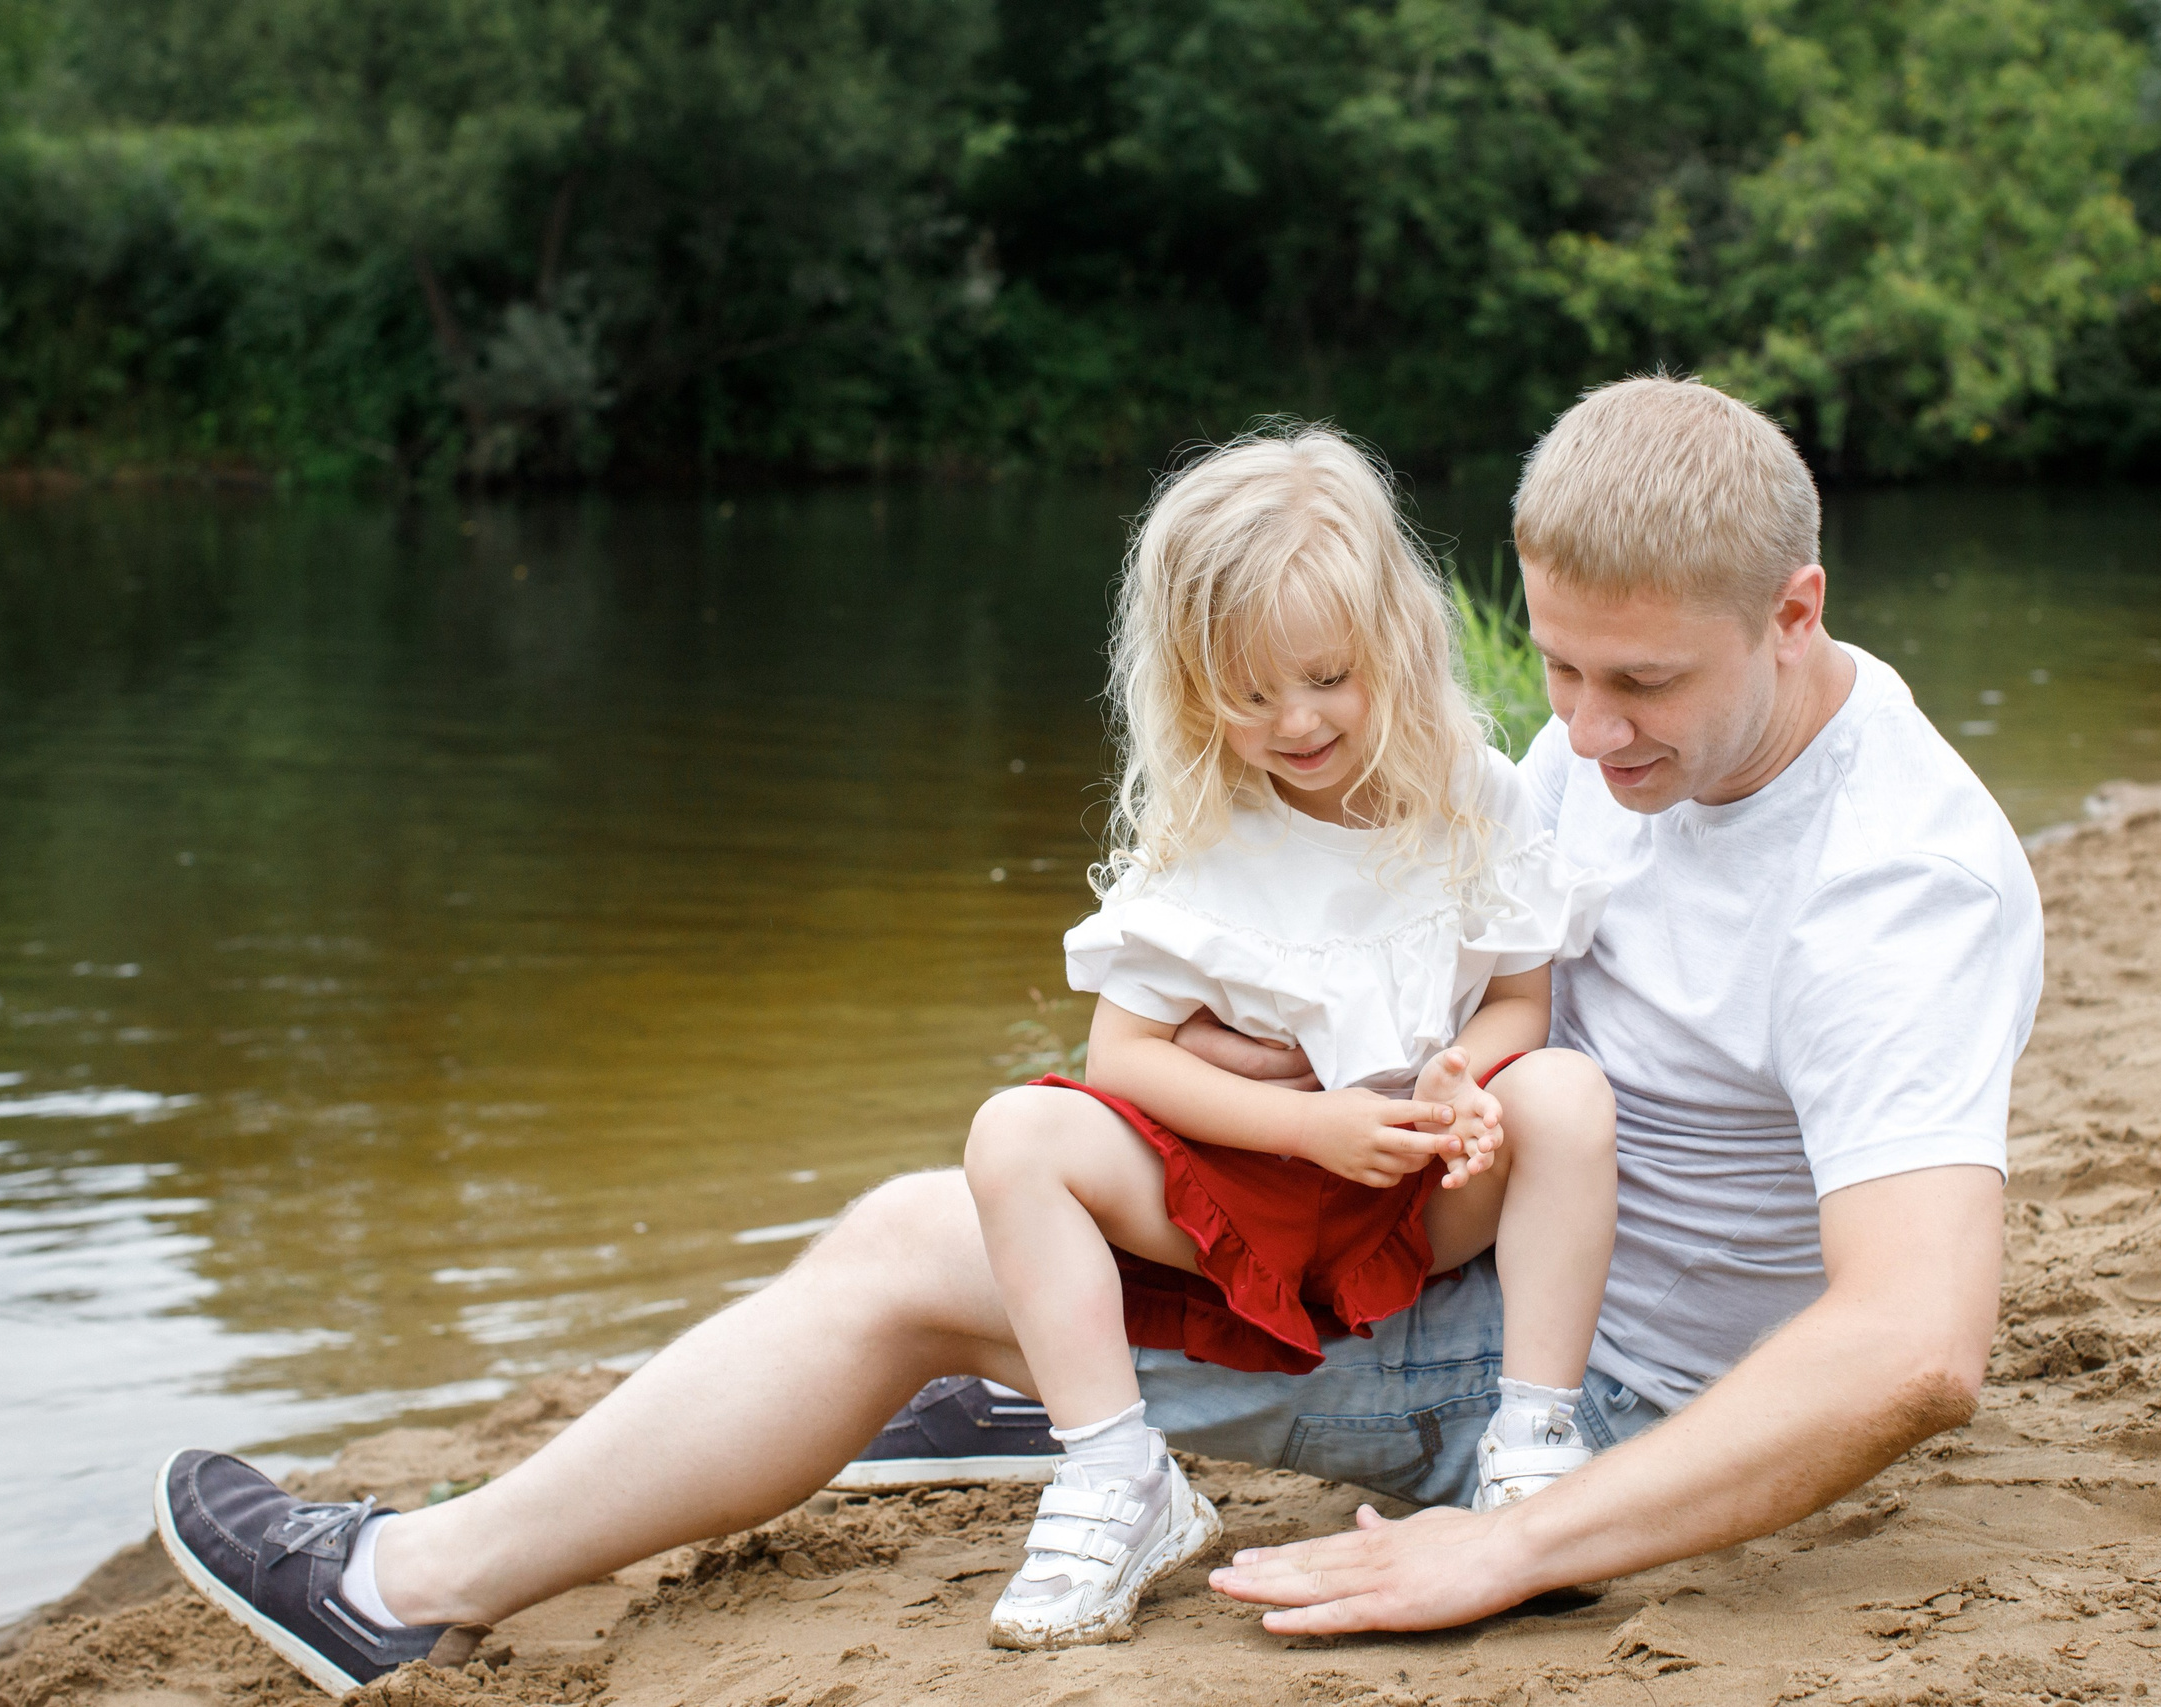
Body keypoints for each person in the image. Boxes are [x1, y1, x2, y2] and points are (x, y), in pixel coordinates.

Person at [153, 377, 2037, 1695]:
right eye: (1554, 663)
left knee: (901, 1253)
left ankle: (399, 1586)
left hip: (1604, 1405)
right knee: (1031, 1168)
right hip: (1464, 1232)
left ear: (1796, 613)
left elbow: (1914, 1347)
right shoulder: (1599, 737)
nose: (1589, 730)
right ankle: (1066, 1393)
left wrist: (1512, 1546)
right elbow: (1488, 969)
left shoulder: (1895, 886)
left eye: (1643, 684)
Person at [963, 428, 1616, 1649]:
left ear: (1396, 642)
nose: (1293, 721)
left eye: (1325, 677)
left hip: (1418, 1192)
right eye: (1247, 694)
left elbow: (1519, 1001)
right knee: (1015, 1133)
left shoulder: (1475, 795)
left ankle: (1530, 1439)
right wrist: (1308, 1124)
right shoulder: (1211, 827)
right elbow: (1125, 1061)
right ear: (1189, 685)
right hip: (1242, 1195)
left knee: (1569, 1094)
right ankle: (1116, 1473)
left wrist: (1462, 1080)